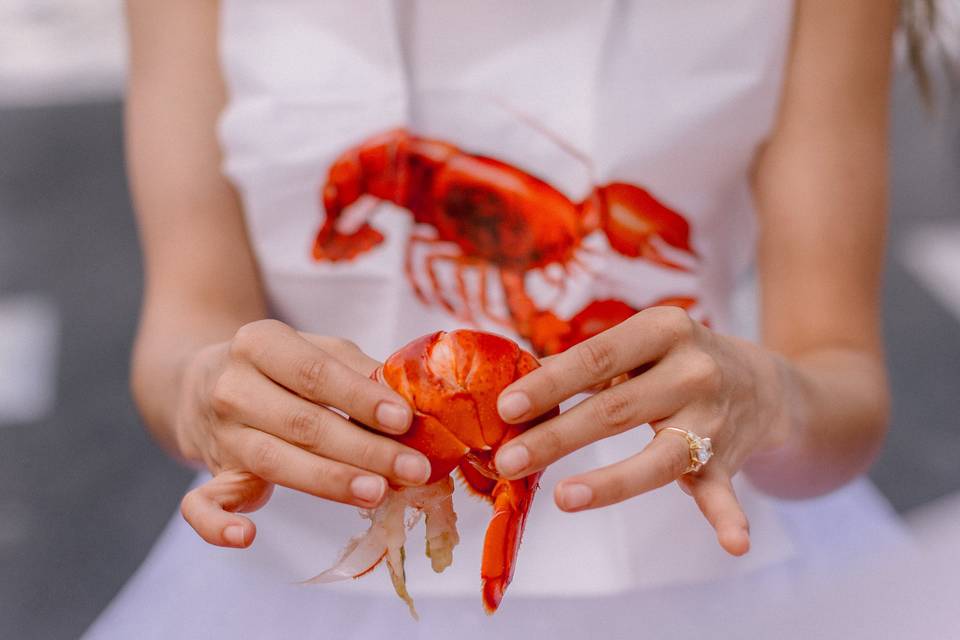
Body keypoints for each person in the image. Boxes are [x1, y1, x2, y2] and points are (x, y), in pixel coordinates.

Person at [86, 1, 914, 637]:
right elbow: (185, 325)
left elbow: (840, 370)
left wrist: (767, 396)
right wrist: (203, 390)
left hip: (703, 562)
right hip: (296, 565)